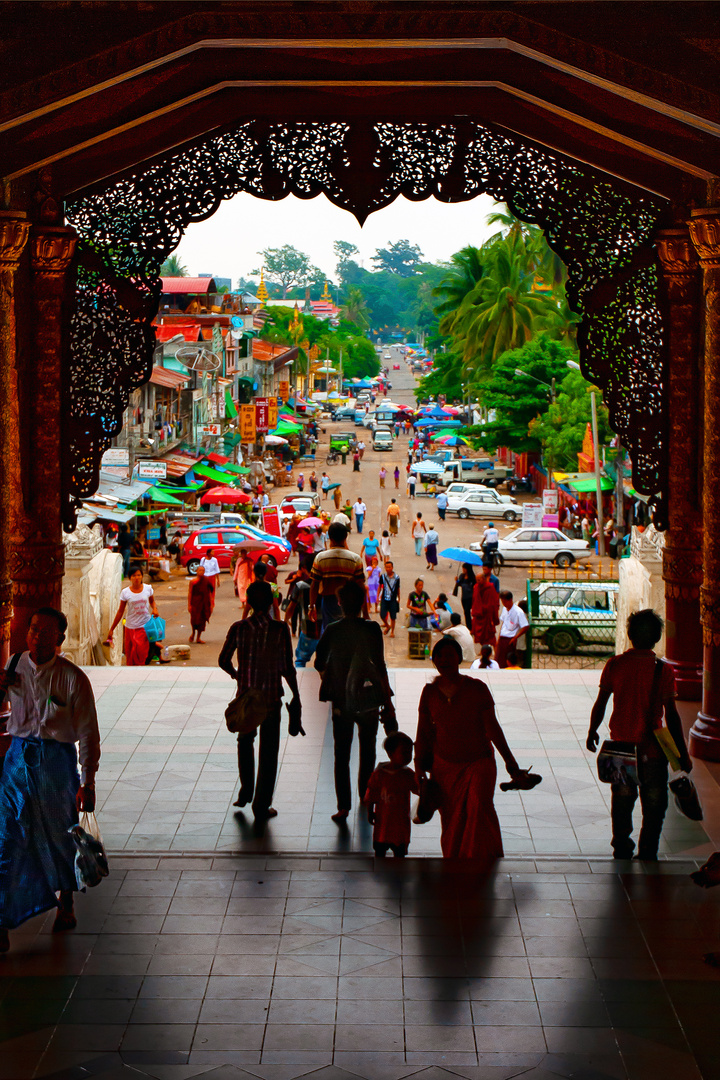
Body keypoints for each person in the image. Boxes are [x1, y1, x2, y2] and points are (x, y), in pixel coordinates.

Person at [0, 608, 100, 952]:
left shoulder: (72, 678)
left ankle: (66, 900)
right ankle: (2, 920)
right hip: (16, 762)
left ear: (59, 639)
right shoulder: (13, 668)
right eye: (33, 630)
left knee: (60, 835)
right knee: (8, 838)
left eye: (46, 632)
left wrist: (87, 781)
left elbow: (88, 732)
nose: (37, 637)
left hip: (56, 765)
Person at [586, 608, 692, 861]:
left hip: (620, 748)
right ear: (656, 638)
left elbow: (601, 702)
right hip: (653, 751)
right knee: (655, 804)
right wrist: (682, 753)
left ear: (629, 634)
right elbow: (673, 716)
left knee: (622, 802)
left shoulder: (615, 664)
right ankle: (648, 850)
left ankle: (622, 846)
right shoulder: (663, 671)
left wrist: (592, 729)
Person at [415, 636, 522, 861]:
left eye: (450, 655)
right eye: (439, 656)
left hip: (479, 762)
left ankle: (481, 860)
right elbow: (423, 734)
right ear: (433, 661)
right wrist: (419, 769)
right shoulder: (429, 693)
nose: (444, 660)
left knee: (479, 809)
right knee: (452, 818)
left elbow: (493, 728)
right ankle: (456, 861)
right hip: (444, 767)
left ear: (460, 659)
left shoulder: (477, 689)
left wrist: (510, 762)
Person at [219, 581, 303, 820]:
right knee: (269, 751)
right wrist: (296, 695)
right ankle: (261, 804)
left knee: (245, 742)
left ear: (249, 602)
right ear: (269, 603)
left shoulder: (239, 628)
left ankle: (246, 790)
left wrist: (238, 676)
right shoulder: (280, 630)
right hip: (270, 700)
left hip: (246, 699)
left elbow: (223, 660)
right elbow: (288, 667)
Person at [314, 581, 396, 822]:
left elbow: (319, 662)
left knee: (341, 753)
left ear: (339, 603)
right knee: (368, 750)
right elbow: (380, 665)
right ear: (363, 603)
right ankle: (366, 797)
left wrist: (334, 674)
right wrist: (387, 701)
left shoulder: (333, 629)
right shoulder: (372, 629)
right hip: (369, 699)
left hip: (341, 700)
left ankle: (343, 807)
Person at [365, 732, 418, 858]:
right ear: (390, 754)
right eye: (404, 752)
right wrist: (370, 810)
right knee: (385, 851)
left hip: (393, 822)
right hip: (388, 821)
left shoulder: (408, 774)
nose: (408, 756)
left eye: (410, 753)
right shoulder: (380, 774)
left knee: (390, 851)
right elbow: (372, 793)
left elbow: (371, 794)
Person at [308, 520, 367, 629]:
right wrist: (366, 612)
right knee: (349, 632)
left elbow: (314, 585)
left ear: (330, 537)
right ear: (345, 537)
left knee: (329, 632)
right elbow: (361, 587)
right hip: (351, 602)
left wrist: (311, 607)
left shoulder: (321, 558)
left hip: (328, 602)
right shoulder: (355, 559)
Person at [106, 563, 161, 665]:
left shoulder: (148, 589)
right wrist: (112, 629)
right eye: (134, 576)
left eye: (139, 575)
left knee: (141, 653)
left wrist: (155, 609)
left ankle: (140, 673)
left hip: (144, 626)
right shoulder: (125, 593)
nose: (137, 578)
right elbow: (120, 611)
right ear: (130, 578)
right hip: (130, 627)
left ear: (142, 576)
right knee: (130, 655)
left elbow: (152, 601)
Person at [497, 590, 528, 668]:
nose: (503, 604)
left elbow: (526, 626)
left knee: (507, 661)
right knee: (499, 659)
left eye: (505, 602)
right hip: (502, 638)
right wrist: (499, 637)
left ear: (510, 600)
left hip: (510, 639)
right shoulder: (505, 609)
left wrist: (515, 637)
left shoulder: (518, 612)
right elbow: (504, 623)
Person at [471, 567, 500, 647]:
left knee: (490, 636)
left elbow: (494, 602)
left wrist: (494, 616)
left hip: (487, 615)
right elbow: (474, 600)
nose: (477, 582)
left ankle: (495, 651)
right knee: (480, 636)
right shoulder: (476, 587)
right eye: (476, 580)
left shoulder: (490, 587)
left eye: (479, 580)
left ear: (484, 579)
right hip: (479, 615)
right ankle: (484, 649)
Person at [187, 563, 213, 643]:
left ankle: (198, 637)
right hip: (195, 602)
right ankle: (193, 633)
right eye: (200, 570)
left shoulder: (206, 580)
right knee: (194, 619)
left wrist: (211, 604)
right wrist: (189, 605)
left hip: (204, 603)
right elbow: (190, 593)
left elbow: (209, 592)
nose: (201, 572)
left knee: (202, 620)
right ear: (196, 571)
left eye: (203, 570)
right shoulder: (193, 581)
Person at [379, 560, 401, 637]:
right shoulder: (383, 577)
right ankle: (387, 625)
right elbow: (380, 586)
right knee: (382, 614)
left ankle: (392, 631)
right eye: (387, 567)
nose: (388, 568)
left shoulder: (397, 578)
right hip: (384, 598)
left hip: (393, 599)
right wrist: (378, 596)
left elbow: (398, 588)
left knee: (393, 616)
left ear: (392, 567)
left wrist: (399, 598)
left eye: (389, 567)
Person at [453, 564, 476, 630]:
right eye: (463, 569)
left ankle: (470, 627)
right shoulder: (462, 576)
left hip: (470, 597)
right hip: (464, 597)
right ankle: (469, 625)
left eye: (465, 569)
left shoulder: (472, 578)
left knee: (468, 611)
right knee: (466, 612)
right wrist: (457, 581)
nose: (463, 570)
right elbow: (459, 584)